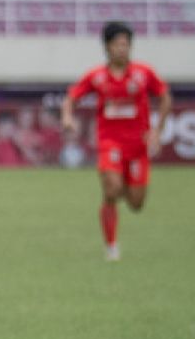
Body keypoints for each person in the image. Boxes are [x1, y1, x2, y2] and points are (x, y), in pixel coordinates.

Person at [61, 21, 172, 262]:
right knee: (111, 190)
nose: (122, 49)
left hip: (137, 146)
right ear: (107, 47)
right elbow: (70, 98)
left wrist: (157, 130)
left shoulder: (144, 73)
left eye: (126, 44)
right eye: (117, 44)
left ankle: (121, 187)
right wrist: (68, 118)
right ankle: (111, 246)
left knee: (136, 203)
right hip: (109, 143)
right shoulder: (97, 76)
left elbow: (164, 97)